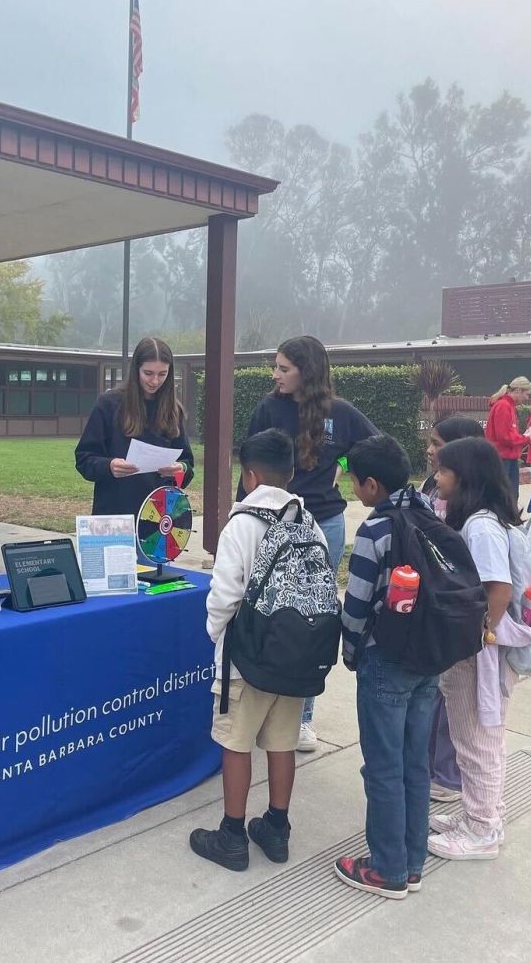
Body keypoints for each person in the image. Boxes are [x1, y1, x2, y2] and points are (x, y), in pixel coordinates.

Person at [189, 428, 327, 871]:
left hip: (244, 661)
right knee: (282, 743)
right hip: (295, 656)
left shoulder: (242, 525)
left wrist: (214, 637)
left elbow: (224, 596)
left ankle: (231, 835)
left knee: (236, 743)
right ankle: (277, 828)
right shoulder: (309, 523)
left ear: (249, 476)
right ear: (289, 473)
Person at [240, 335, 378, 752]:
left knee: (309, 618)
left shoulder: (342, 413)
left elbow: (375, 451)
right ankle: (259, 707)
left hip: (325, 525)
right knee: (263, 609)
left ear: (308, 372)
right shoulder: (269, 408)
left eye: (284, 368)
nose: (275, 374)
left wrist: (340, 464)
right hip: (271, 521)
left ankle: (301, 718)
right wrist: (239, 514)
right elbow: (248, 462)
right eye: (276, 366)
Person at [333, 435, 440, 899]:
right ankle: (413, 862)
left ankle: (386, 869)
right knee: (415, 763)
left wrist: (351, 651)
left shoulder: (375, 532)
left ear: (372, 485)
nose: (355, 491)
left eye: (356, 483)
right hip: (429, 659)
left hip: (386, 661)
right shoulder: (430, 515)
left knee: (382, 767)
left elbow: (356, 606)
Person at [428, 436, 522, 861]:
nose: (436, 476)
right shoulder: (481, 520)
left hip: (479, 650)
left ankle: (482, 830)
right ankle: (479, 814)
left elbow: (498, 589)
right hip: (477, 645)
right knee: (474, 734)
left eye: (444, 470)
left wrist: (479, 637)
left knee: (476, 738)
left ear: (463, 477)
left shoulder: (481, 526)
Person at [422, 415, 486, 804]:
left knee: (454, 700)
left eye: (438, 445)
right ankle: (433, 765)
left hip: (455, 614)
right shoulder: (433, 486)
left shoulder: (476, 515)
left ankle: (448, 774)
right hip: (433, 605)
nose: (429, 450)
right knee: (435, 690)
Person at [75, 337, 193, 523]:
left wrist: (179, 469)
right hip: (113, 517)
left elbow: (187, 464)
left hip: (159, 521)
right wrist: (109, 466)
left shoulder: (173, 410)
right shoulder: (108, 404)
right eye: (148, 373)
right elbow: (84, 459)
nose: (155, 381)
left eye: (162, 374)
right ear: (136, 369)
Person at [484, 376, 531, 501]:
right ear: (518, 390)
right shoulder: (504, 406)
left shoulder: (507, 406)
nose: (527, 398)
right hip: (503, 458)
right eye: (527, 394)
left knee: (509, 496)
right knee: (506, 497)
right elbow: (505, 437)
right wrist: (527, 438)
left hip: (506, 458)